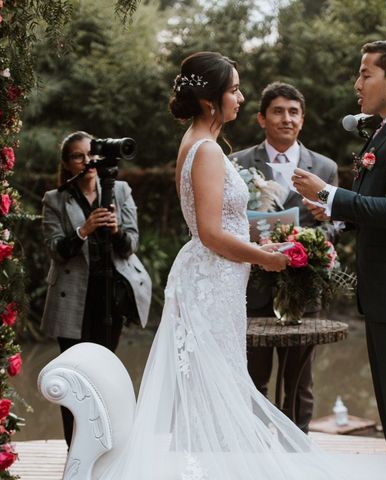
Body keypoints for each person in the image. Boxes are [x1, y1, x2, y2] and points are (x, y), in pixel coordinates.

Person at [100, 51, 349, 479]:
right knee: (215, 384)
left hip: (219, 279)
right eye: (234, 89)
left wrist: (266, 244)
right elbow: (212, 234)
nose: (240, 96)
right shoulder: (208, 151)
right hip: (212, 280)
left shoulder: (204, 144)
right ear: (210, 100)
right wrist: (266, 257)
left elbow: (222, 224)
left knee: (218, 382)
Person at [292, 40, 386, 457]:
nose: (357, 83)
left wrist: (329, 193)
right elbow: (381, 205)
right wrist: (336, 214)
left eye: (365, 73)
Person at [231, 82, 339, 433]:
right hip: (252, 288)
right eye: (278, 111)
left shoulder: (324, 167)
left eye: (293, 112)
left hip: (303, 289)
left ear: (302, 120)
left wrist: (323, 225)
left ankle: (297, 455)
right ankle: (256, 454)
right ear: (262, 118)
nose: (286, 118)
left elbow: (336, 229)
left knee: (299, 383)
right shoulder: (237, 164)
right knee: (252, 379)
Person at [41, 131, 152, 447]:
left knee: (105, 376)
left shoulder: (120, 191)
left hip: (110, 297)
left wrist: (116, 230)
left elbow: (130, 246)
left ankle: (106, 449)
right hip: (73, 299)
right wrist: (84, 229)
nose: (87, 161)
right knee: (72, 378)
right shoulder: (55, 199)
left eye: (92, 154)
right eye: (78, 155)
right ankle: (74, 450)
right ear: (67, 162)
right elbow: (56, 251)